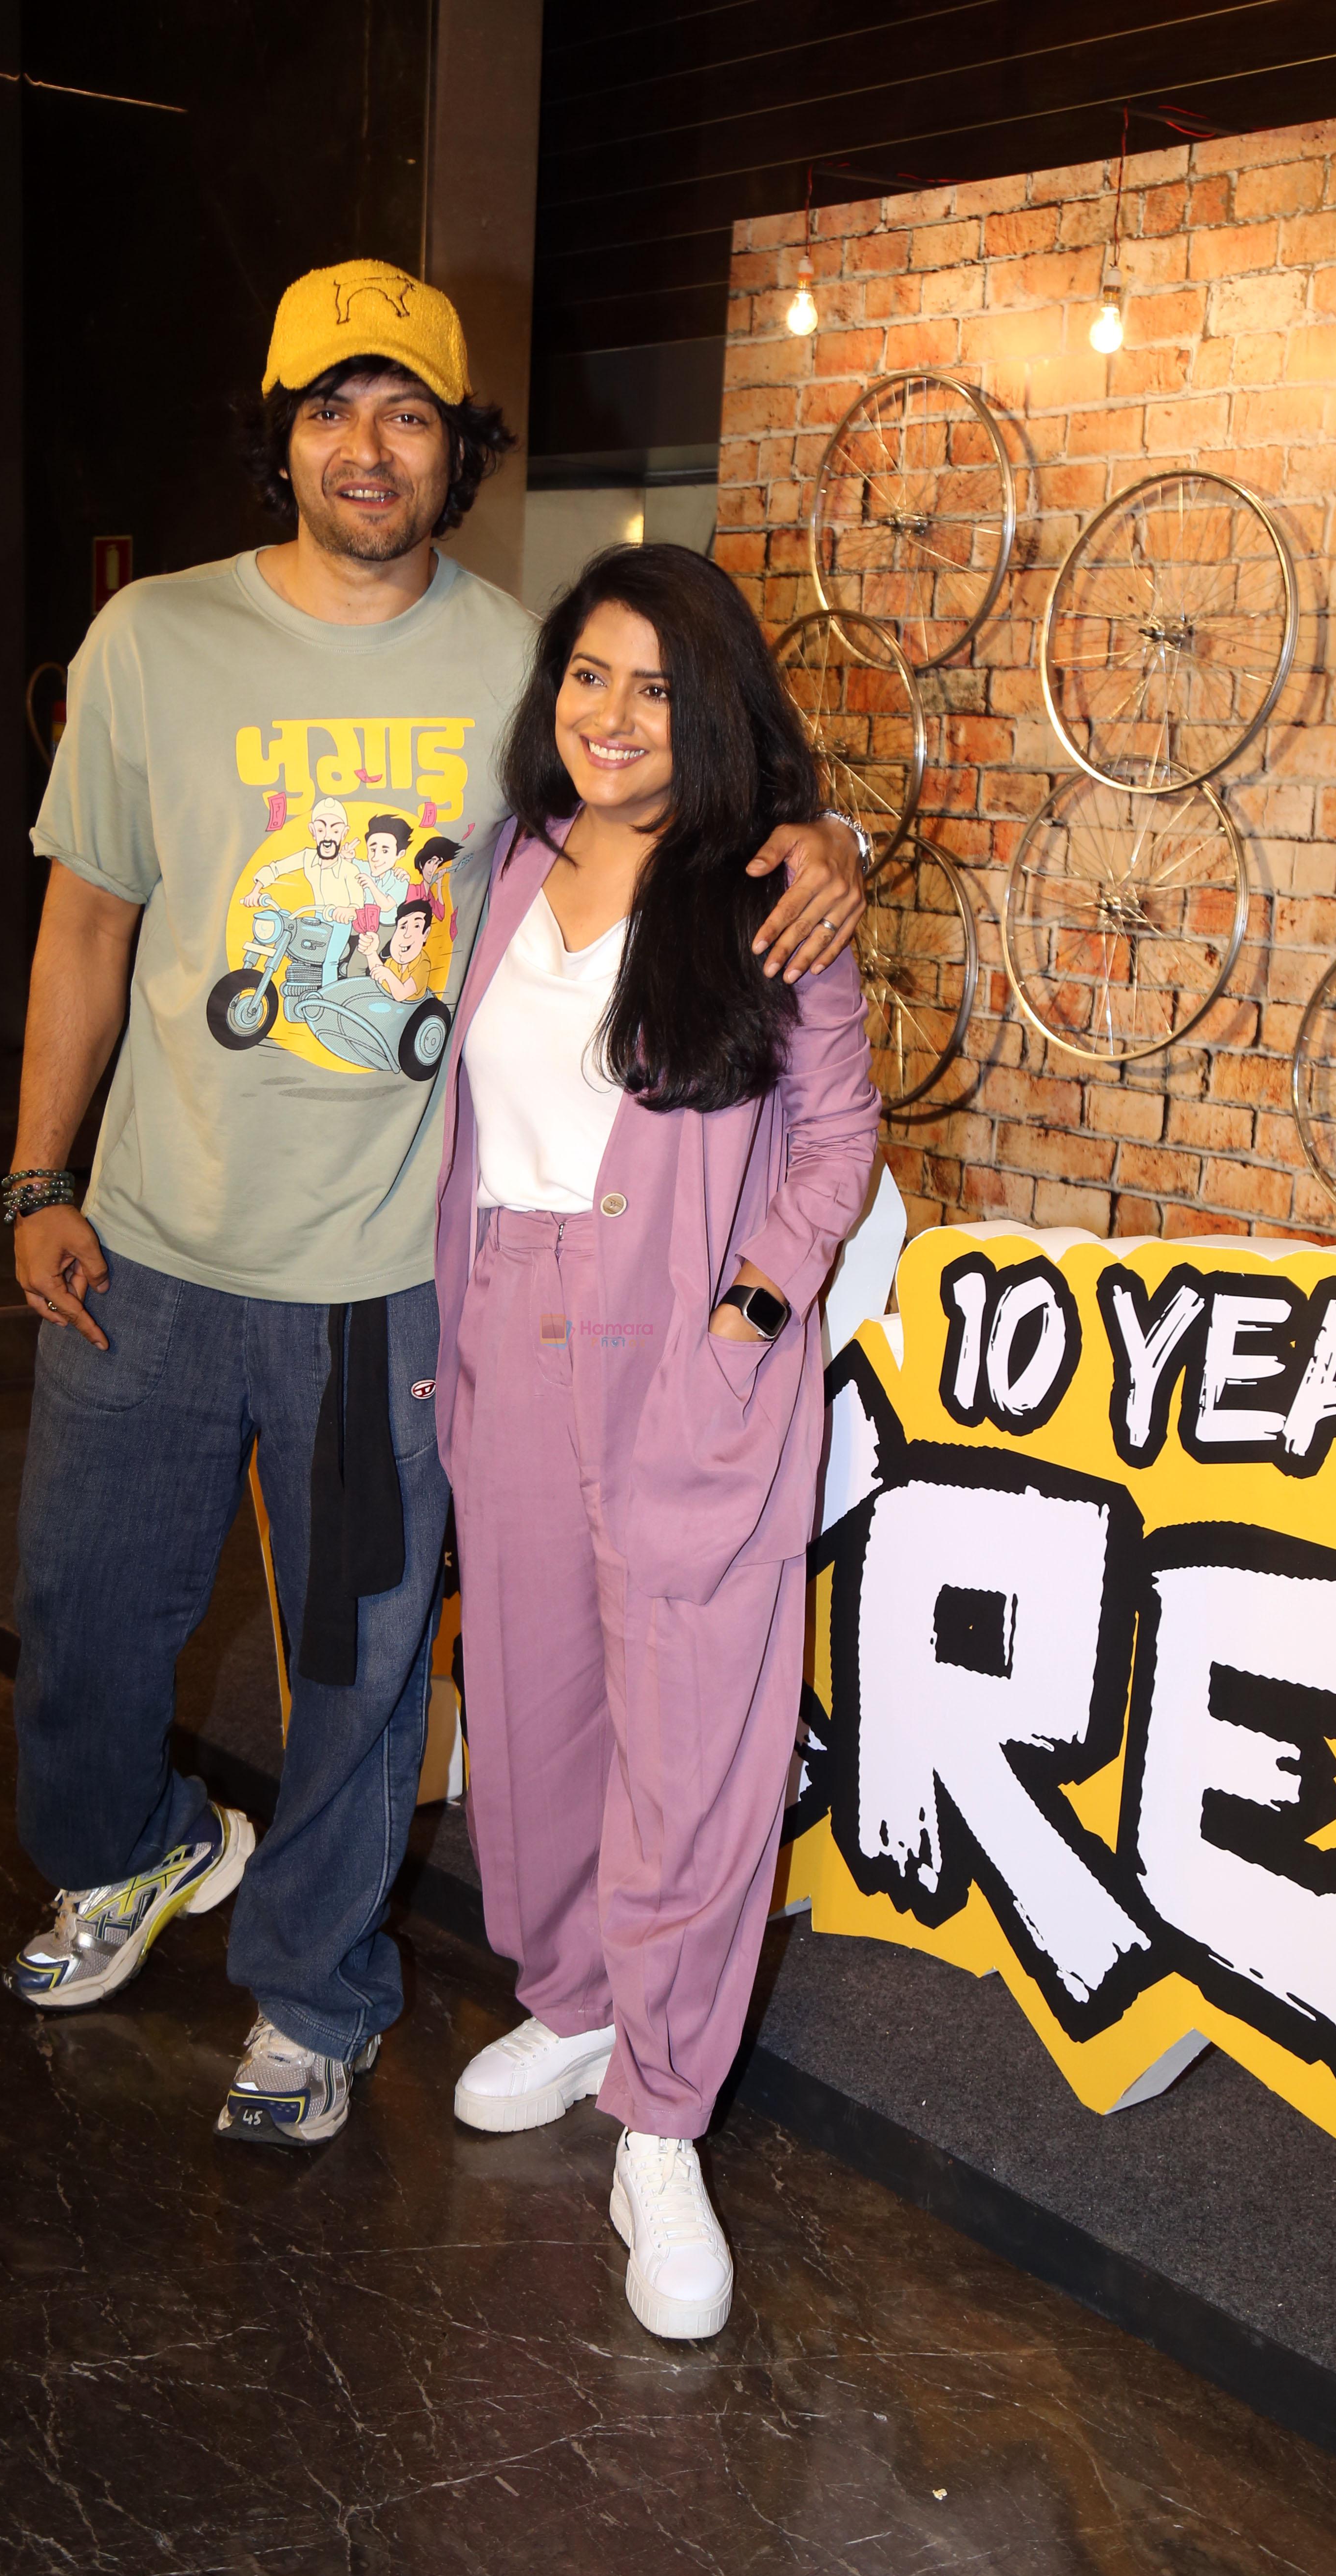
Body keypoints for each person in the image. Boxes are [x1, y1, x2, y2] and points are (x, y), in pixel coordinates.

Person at [1, 257, 868, 2152]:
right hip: (146, 1240)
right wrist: (37, 1176)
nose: (365, 444)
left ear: (456, 448)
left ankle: (318, 1992)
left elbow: (691, 787)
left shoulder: (518, 661)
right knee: (82, 1613)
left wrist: (824, 835)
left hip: (388, 1278)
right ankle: (134, 1851)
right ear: (282, 438)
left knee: (362, 1666)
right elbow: (85, 920)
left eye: (406, 411)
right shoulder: (154, 639)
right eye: (329, 407)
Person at [434, 543, 878, 2335]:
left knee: (695, 1729)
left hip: (686, 1341)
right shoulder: (502, 871)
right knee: (535, 1704)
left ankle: (666, 2116)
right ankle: (572, 1994)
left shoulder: (772, 888)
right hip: (509, 1329)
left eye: (659, 690)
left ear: (719, 716)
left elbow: (834, 1143)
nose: (615, 718)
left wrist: (748, 1318)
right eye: (590, 678)